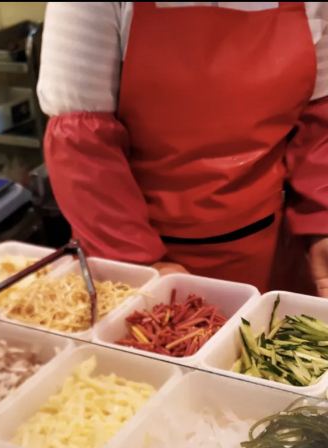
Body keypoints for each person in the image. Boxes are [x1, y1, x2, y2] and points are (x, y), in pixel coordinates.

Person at [38, 2, 328, 295]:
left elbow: (319, 122)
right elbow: (82, 145)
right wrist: (141, 265)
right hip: (140, 252)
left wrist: (322, 221)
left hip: (274, 248)